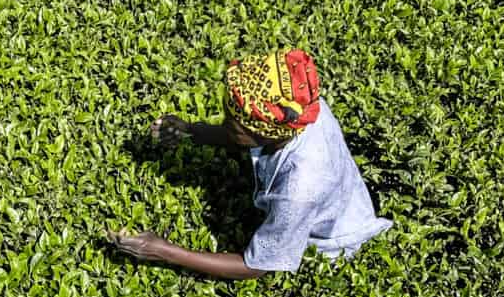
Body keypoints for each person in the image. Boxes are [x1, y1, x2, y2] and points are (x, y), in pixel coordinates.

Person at [109, 48, 392, 279]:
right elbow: (246, 136)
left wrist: (163, 250)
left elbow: (255, 266)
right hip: (334, 199)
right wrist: (192, 131)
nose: (226, 125)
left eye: (234, 123)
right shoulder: (299, 108)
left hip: (329, 242)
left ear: (264, 133)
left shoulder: (299, 190)